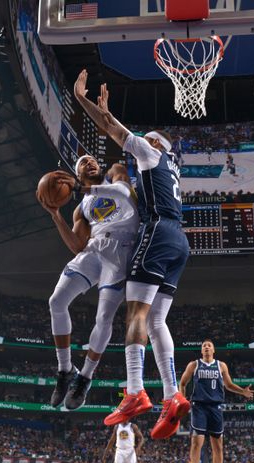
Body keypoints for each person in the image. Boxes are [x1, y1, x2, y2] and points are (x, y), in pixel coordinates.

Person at [73, 69, 191, 439]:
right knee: (157, 321)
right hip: (180, 243)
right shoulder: (172, 170)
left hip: (157, 233)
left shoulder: (149, 154)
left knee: (135, 313)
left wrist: (83, 100)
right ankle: (172, 395)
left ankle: (136, 389)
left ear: (154, 144)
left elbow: (111, 127)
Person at [42, 156, 138, 410]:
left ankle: (85, 376)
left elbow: (124, 191)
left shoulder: (114, 172)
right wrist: (55, 215)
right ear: (77, 172)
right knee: (56, 301)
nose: (90, 163)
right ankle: (65, 370)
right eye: (83, 162)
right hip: (93, 249)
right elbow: (76, 245)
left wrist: (79, 188)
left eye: (92, 160)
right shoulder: (81, 207)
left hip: (121, 246)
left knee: (104, 317)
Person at [179, 339, 254, 463]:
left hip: (216, 407)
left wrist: (242, 391)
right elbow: (183, 383)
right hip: (199, 406)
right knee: (196, 442)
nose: (206, 347)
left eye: (209, 345)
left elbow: (228, 385)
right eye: (203, 346)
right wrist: (181, 399)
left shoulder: (221, 365)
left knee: (218, 447)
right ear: (201, 351)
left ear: (213, 350)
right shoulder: (194, 365)